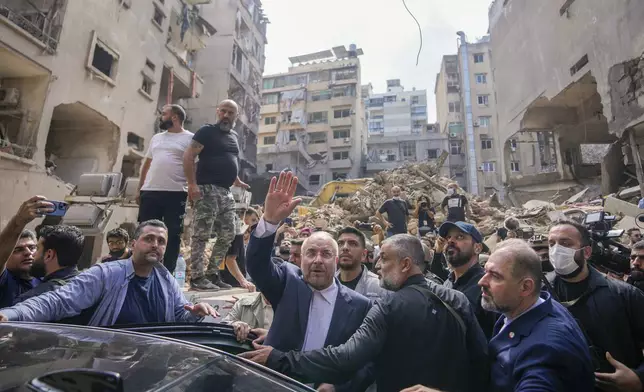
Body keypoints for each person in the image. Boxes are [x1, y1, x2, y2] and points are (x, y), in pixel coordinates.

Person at [242, 233, 489, 392]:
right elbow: (482, 361)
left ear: (405, 264)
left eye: (384, 259)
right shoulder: (457, 300)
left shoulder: (386, 307)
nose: (377, 266)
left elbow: (346, 358)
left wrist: (279, 359)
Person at [243, 171, 372, 391]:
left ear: (337, 261)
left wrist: (337, 387)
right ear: (301, 260)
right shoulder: (287, 282)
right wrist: (270, 222)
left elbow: (365, 362)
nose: (318, 261)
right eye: (311, 253)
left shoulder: (360, 306)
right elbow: (257, 266)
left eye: (326, 254)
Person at [0, 220, 218, 326]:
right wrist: (11, 315)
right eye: (148, 239)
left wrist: (195, 313)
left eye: (161, 241)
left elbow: (178, 319)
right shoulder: (106, 274)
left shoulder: (166, 279)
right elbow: (57, 301)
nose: (155, 245)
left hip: (153, 367)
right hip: (109, 368)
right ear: (134, 244)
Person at [479, 239, 594, 391]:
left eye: (495, 276)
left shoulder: (546, 348)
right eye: (485, 270)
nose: (482, 281)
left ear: (526, 287)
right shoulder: (526, 306)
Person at [547, 220, 644, 391]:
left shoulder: (624, 295)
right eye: (551, 243)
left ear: (586, 252)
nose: (556, 250)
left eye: (565, 243)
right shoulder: (539, 294)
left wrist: (639, 377)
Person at [183, 99, 250, 291]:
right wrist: (191, 184)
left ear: (236, 116)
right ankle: (197, 278)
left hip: (225, 191)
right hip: (206, 189)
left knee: (229, 233)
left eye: (231, 113)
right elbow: (188, 157)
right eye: (223, 111)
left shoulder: (234, 136)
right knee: (201, 235)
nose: (226, 115)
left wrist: (236, 179)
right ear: (217, 112)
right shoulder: (206, 131)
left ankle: (212, 274)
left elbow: (228, 159)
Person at [137, 104, 194, 273]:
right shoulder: (157, 138)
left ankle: (166, 273)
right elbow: (147, 163)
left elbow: (194, 165)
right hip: (150, 191)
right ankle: (141, 269)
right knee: (144, 231)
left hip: (176, 193)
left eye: (164, 114)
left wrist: (193, 187)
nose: (161, 117)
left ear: (174, 117)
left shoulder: (191, 138)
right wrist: (140, 188)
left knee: (172, 235)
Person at [439, 221, 498, 339]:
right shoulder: (448, 283)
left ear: (477, 248)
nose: (450, 241)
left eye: (460, 237)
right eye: (448, 237)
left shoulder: (487, 286)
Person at [0, 196, 55, 308]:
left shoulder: (47, 281)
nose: (28, 253)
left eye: (32, 247)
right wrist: (19, 221)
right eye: (18, 250)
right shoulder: (5, 280)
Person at [13, 225, 84, 304]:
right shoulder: (90, 285)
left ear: (49, 255)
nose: (32, 254)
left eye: (37, 248)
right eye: (18, 250)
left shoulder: (30, 300)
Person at [336, 226, 389, 300]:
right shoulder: (326, 284)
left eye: (353, 244)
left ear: (364, 254)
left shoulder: (380, 287)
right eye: (340, 243)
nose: (345, 247)